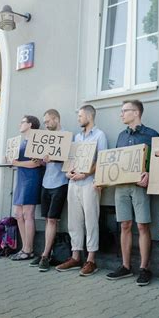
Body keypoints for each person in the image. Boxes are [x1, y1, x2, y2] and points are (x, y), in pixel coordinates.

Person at [106, 100, 159, 286]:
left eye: (124, 111)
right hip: (121, 187)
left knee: (143, 226)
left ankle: (145, 268)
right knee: (125, 225)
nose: (121, 114)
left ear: (136, 112)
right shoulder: (120, 136)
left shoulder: (151, 134)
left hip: (140, 187)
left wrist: (150, 174)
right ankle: (126, 266)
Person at [56, 105, 108, 276]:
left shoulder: (100, 135)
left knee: (91, 221)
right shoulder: (77, 137)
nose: (78, 119)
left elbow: (102, 160)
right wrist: (69, 171)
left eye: (80, 115)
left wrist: (85, 173)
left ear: (89, 116)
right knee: (74, 221)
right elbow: (72, 159)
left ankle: (91, 260)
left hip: (89, 183)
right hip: (74, 184)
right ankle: (75, 256)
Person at [29, 109, 69, 272]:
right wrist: (41, 160)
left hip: (60, 182)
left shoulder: (66, 136)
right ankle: (47, 251)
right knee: (47, 219)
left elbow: (67, 158)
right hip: (46, 182)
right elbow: (47, 161)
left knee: (52, 219)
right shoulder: (45, 137)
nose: (45, 124)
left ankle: (45, 255)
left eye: (47, 121)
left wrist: (52, 158)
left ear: (56, 119)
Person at [10, 115, 44, 261]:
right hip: (21, 178)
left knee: (28, 214)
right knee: (18, 214)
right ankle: (24, 247)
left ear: (30, 124)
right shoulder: (22, 140)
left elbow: (36, 163)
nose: (20, 124)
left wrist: (17, 163)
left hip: (31, 178)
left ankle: (29, 249)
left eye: (23, 121)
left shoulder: (35, 140)